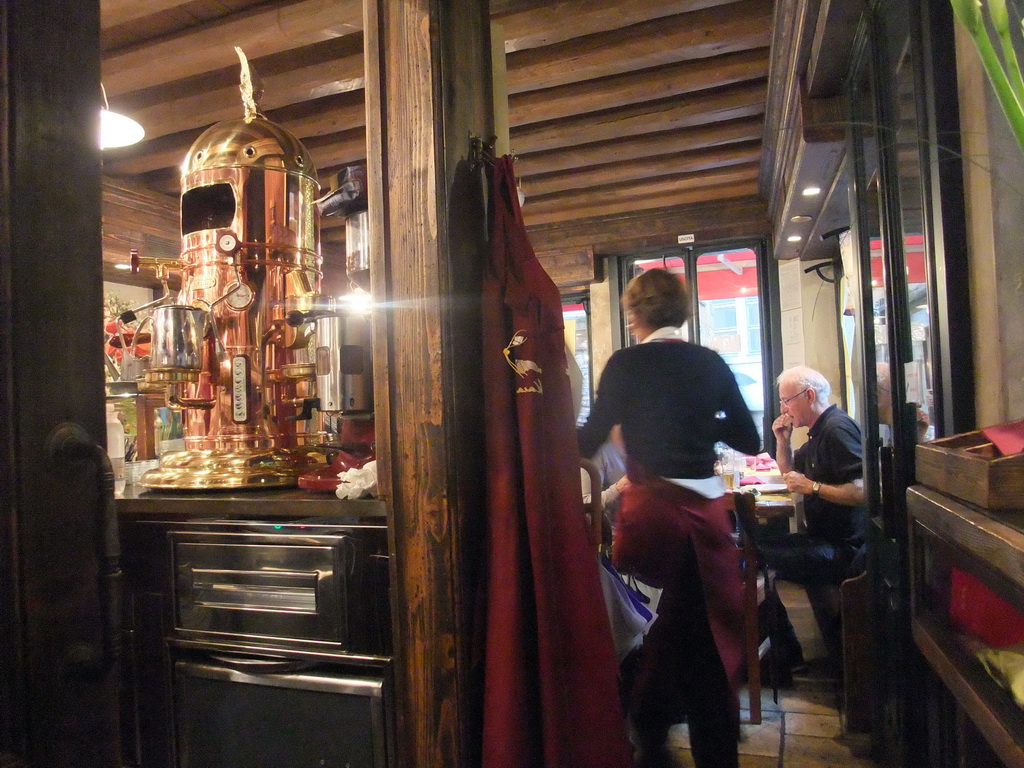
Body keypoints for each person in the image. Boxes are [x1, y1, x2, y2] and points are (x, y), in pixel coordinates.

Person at [578, 268, 760, 768]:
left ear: (633, 313)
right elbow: (751, 440)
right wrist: (701, 420)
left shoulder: (624, 365)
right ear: (681, 312)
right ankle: (717, 752)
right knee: (710, 636)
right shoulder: (710, 363)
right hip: (706, 516)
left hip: (649, 516)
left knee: (645, 633)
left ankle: (650, 744)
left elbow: (589, 437)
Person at [763, 365, 868, 668]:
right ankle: (784, 650)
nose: (783, 408)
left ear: (809, 395)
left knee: (753, 557)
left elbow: (863, 491)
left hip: (844, 548)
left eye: (787, 400)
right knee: (755, 548)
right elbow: (789, 476)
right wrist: (782, 441)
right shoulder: (819, 430)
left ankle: (783, 653)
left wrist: (814, 487)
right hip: (823, 539)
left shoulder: (837, 429)